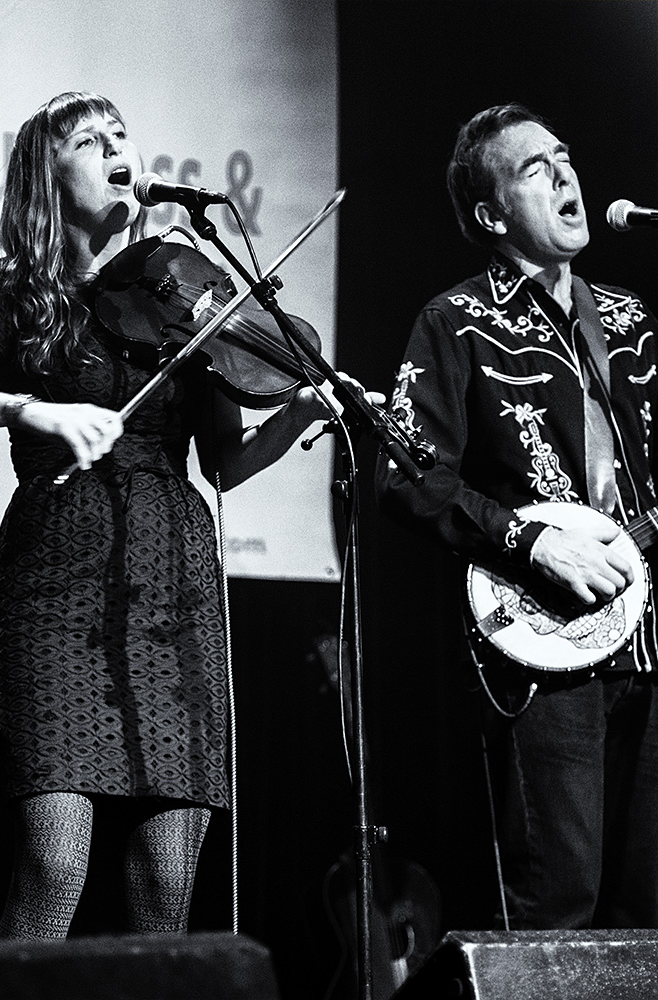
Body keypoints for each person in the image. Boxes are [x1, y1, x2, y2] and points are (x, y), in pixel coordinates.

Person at [0, 91, 369, 941]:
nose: (116, 149)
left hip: (173, 583)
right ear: (46, 180)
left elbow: (227, 464)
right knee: (54, 864)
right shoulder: (16, 297)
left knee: (167, 883)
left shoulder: (178, 295)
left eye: (121, 135)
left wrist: (303, 411)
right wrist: (27, 411)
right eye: (90, 141)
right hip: (54, 583)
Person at [376, 103, 658, 930]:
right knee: (559, 902)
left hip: (654, 641)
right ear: (491, 214)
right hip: (549, 656)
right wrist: (529, 540)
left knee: (650, 912)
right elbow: (407, 473)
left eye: (565, 156)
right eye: (536, 167)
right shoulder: (455, 321)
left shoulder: (634, 322)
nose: (566, 173)